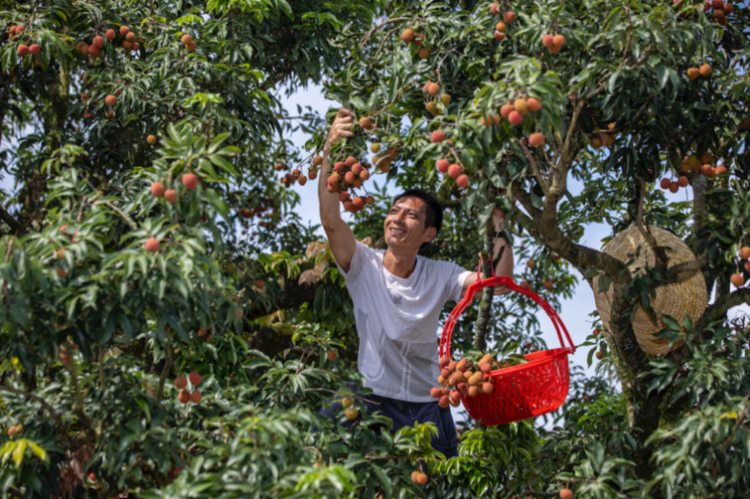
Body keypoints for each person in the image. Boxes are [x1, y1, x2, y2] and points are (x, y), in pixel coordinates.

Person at [318, 108, 514, 457]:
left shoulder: (440, 274)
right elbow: (331, 221)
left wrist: (499, 222)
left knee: (437, 484)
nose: (397, 218)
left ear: (428, 233)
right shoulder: (364, 264)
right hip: (370, 395)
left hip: (426, 402)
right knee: (317, 451)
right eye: (394, 211)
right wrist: (330, 149)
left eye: (410, 215)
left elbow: (496, 283)